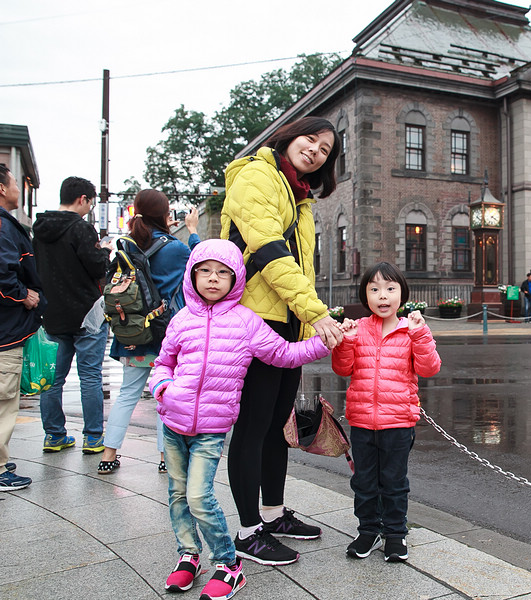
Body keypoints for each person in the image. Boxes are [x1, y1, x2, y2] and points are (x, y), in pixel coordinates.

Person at [150, 239, 329, 597]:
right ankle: (188, 556)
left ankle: (228, 564)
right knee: (178, 497)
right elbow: (164, 362)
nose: (213, 279)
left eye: (223, 272)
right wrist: (162, 388)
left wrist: (325, 341)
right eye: (205, 271)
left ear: (236, 279)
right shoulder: (182, 319)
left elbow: (283, 353)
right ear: (192, 275)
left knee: (199, 497)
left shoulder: (246, 321)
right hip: (173, 425)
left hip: (210, 430)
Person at [222, 116, 345, 565]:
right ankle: (247, 531)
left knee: (278, 424)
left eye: (325, 150)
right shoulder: (257, 176)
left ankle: (273, 515)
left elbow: (302, 268)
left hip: (286, 324)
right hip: (256, 322)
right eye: (310, 140)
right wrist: (316, 313)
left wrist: (307, 321)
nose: (315, 151)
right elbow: (270, 252)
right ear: (290, 137)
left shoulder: (300, 196)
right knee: (253, 426)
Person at [332, 262, 441, 562]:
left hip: (398, 423)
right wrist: (346, 341)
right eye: (375, 289)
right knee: (364, 482)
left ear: (402, 294)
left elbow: (429, 368)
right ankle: (368, 531)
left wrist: (420, 335)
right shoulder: (358, 329)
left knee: (394, 482)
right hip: (362, 422)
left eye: (390, 288)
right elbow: (342, 368)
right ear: (365, 296)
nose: (383, 295)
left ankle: (395, 533)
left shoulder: (411, 330)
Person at [97, 190, 200, 475]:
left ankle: (108, 455)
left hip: (132, 333)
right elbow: (202, 263)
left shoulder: (126, 246)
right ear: (164, 215)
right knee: (165, 395)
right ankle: (167, 458)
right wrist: (192, 230)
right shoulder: (175, 249)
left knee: (127, 394)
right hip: (164, 334)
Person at [33, 177, 111, 454]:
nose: (89, 208)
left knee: (53, 379)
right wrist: (104, 252)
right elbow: (96, 267)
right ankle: (93, 438)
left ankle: (54, 435)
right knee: (90, 377)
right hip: (87, 314)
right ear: (82, 199)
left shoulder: (40, 229)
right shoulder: (81, 228)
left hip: (53, 314)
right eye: (90, 203)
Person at [0, 164, 45, 491]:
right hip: (5, 331)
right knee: (4, 402)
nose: (18, 188)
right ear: (2, 188)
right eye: (16, 182)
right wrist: (24, 295)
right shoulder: (3, 227)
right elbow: (3, 275)